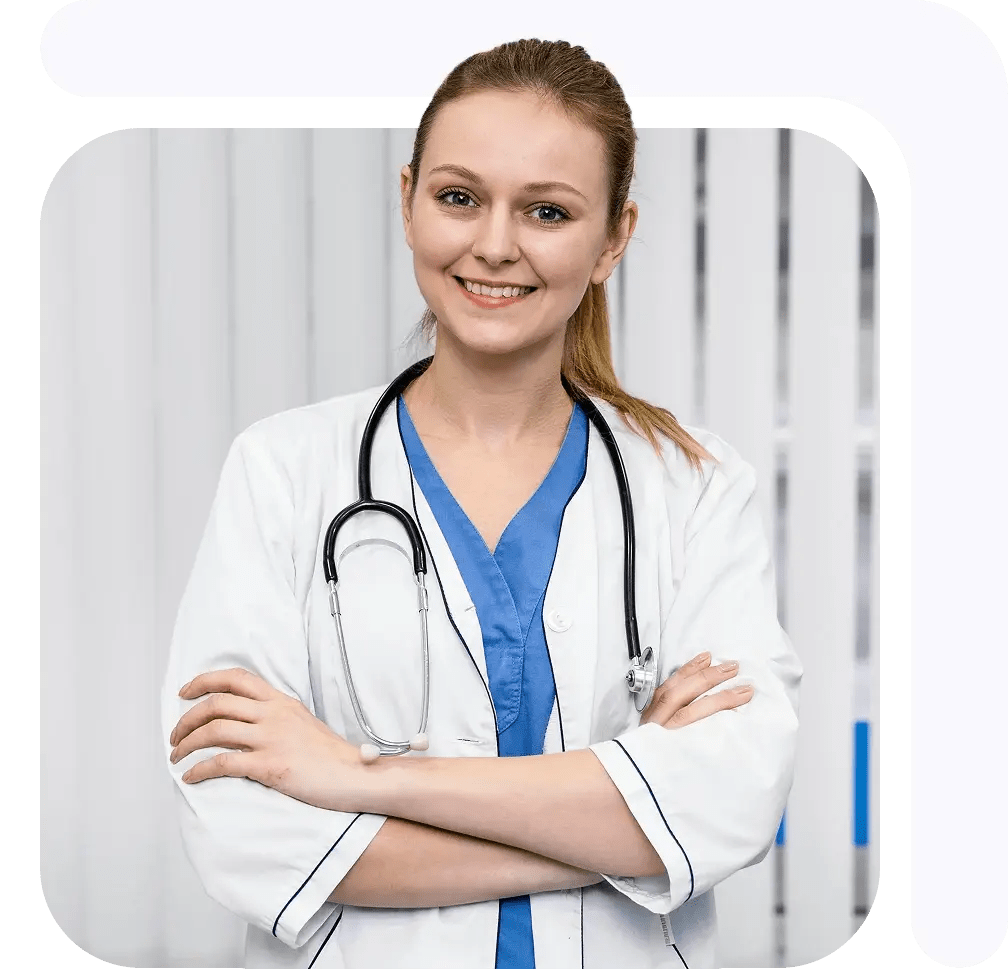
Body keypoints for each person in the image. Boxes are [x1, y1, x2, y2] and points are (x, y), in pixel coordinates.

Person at [162, 38, 802, 970]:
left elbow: (732, 804)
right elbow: (242, 828)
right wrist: (620, 818)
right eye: (459, 197)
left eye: (547, 211)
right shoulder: (282, 471)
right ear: (408, 199)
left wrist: (358, 776)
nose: (494, 244)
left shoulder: (696, 487)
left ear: (613, 238)